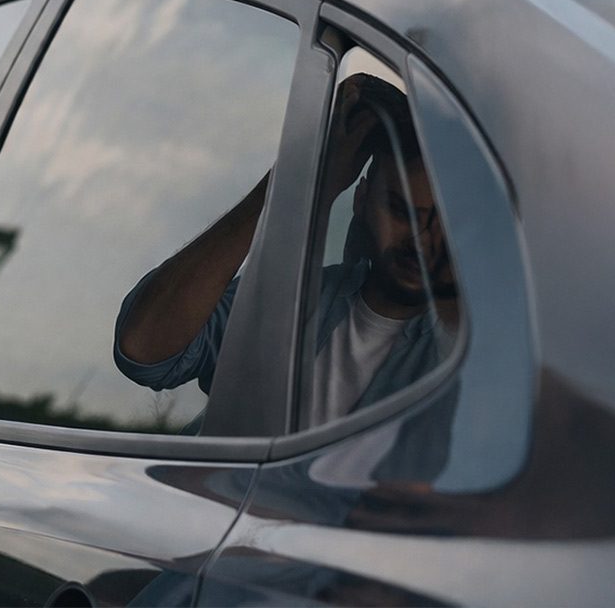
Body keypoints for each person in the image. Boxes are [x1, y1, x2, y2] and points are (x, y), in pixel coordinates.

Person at [113, 75, 460, 430]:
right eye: (401, 213)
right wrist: (294, 179)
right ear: (361, 200)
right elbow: (144, 351)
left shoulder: (470, 350)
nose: (419, 241)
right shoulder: (288, 298)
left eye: (443, 224)